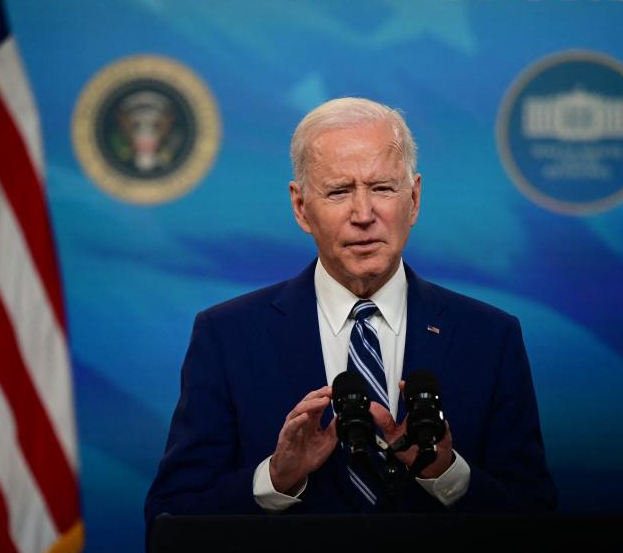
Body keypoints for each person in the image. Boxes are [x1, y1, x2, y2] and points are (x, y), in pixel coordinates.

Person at [144, 98, 556, 535]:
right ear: (301, 207)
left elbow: (538, 520)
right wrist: (276, 479)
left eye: (382, 188)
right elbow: (168, 523)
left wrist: (447, 474)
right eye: (339, 192)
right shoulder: (227, 336)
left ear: (413, 199)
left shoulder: (491, 337)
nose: (363, 215)